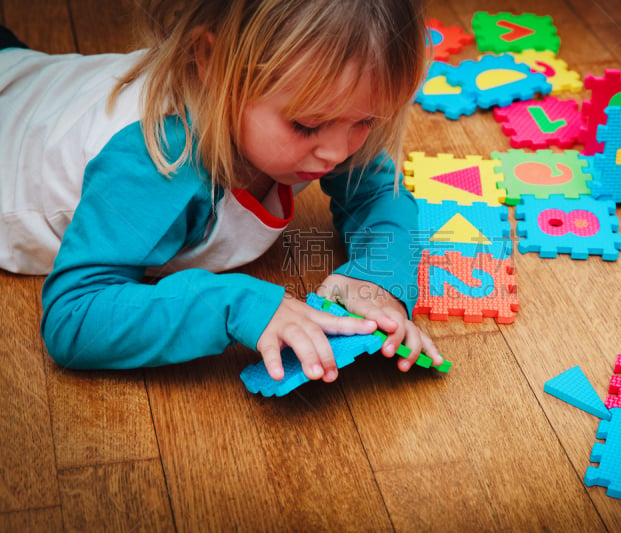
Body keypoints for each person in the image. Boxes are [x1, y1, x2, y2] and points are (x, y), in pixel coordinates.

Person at [0, 0, 444, 384]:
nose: (337, 151)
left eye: (365, 122)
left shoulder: (326, 113)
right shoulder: (156, 161)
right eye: (307, 125)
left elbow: (377, 191)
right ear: (211, 63)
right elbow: (73, 319)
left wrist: (376, 280)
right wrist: (235, 303)